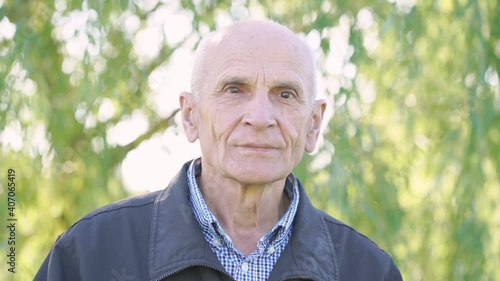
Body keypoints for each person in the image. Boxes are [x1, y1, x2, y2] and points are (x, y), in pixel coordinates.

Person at [35, 20, 403, 281]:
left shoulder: (368, 270)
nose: (260, 118)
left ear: (314, 124)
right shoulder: (89, 254)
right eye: (234, 90)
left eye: (285, 94)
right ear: (191, 116)